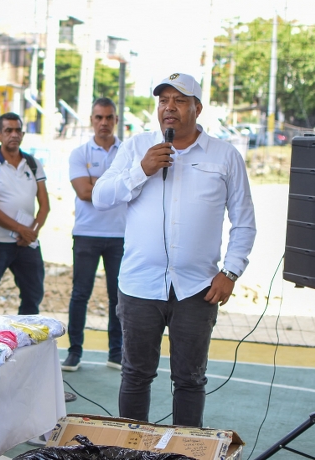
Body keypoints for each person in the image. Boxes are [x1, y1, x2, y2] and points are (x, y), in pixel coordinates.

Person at [92, 72, 256, 427]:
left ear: (197, 108)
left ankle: (186, 450)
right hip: (139, 286)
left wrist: (231, 271)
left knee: (190, 379)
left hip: (198, 289)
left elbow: (244, 221)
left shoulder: (225, 156)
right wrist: (141, 170)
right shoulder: (136, 149)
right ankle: (132, 449)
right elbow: (99, 197)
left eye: (180, 101)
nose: (169, 108)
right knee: (135, 375)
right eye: (163, 101)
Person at [61, 98, 126, 373]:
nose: (104, 122)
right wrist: (117, 180)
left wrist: (97, 179)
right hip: (86, 233)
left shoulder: (128, 152)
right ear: (91, 120)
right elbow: (84, 193)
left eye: (109, 117)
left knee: (119, 297)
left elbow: (134, 185)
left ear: (116, 120)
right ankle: (74, 352)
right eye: (99, 117)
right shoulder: (79, 153)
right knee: (80, 294)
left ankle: (117, 352)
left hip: (120, 235)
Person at [0, 112, 49, 324]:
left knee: (33, 295)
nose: (13, 135)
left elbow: (45, 205)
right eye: (8, 130)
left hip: (27, 243)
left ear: (23, 134)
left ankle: (27, 341)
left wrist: (31, 232)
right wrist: (21, 229)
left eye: (17, 130)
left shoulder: (33, 163)